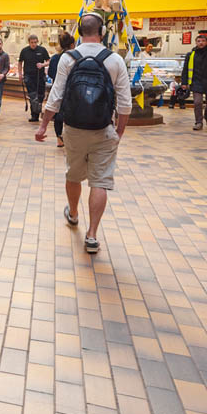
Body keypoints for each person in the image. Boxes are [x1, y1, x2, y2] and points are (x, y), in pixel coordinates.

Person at [35, 14, 132, 254]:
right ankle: (91, 236)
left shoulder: (69, 58)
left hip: (74, 128)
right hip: (102, 128)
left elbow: (55, 97)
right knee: (99, 181)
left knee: (74, 174)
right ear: (102, 32)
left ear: (80, 31)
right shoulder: (115, 60)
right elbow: (125, 104)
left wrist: (43, 126)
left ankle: (74, 213)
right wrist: (118, 131)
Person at [47, 32, 76, 148]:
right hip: (72, 91)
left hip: (58, 88)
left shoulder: (55, 58)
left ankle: (59, 138)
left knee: (58, 115)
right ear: (72, 45)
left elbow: (50, 73)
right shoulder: (75, 58)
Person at [18, 34, 51, 122]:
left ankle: (37, 112)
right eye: (32, 42)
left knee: (40, 96)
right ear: (29, 42)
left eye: (35, 42)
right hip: (29, 76)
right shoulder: (24, 51)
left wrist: (42, 65)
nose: (34, 44)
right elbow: (20, 62)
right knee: (33, 96)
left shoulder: (42, 50)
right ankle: (34, 115)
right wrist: (20, 74)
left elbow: (49, 61)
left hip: (40, 76)